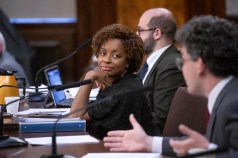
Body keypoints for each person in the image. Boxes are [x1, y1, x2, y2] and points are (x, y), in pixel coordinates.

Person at [103, 15, 238, 157]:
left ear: (199, 65)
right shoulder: (224, 96)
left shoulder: (232, 104)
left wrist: (204, 152)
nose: (181, 68)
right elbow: (213, 144)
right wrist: (149, 143)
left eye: (183, 61)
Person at [69, 24, 159, 140]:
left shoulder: (122, 91)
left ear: (128, 61)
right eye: (103, 53)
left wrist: (90, 76)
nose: (106, 60)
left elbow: (75, 118)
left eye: (116, 56)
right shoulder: (123, 80)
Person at [137, 8, 185, 133]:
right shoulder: (151, 62)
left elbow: (160, 119)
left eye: (140, 30)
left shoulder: (171, 64)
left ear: (157, 33)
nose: (136, 35)